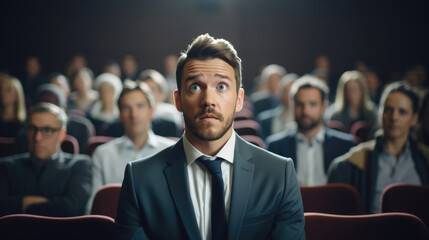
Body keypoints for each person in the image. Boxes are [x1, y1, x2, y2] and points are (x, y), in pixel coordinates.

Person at [114, 34, 305, 240]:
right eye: (195, 87)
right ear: (177, 101)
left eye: (221, 86)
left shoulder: (279, 174)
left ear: (239, 99)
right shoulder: (140, 179)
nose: (208, 100)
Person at [328, 82, 429, 213]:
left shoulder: (425, 159)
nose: (394, 117)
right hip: (369, 230)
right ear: (380, 113)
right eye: (388, 110)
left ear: (414, 119)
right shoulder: (351, 163)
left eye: (402, 112)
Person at [89, 81, 175, 211]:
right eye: (126, 108)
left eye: (140, 106)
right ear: (119, 115)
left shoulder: (172, 151)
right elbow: (93, 207)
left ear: (152, 111)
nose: (133, 114)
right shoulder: (102, 154)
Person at [0, 102, 92, 217]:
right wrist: (49, 205)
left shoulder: (80, 165)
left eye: (47, 130)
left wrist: (23, 204)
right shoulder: (6, 166)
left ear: (62, 134)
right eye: (33, 129)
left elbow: (72, 208)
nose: (37, 137)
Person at [266, 75, 356, 186]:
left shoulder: (345, 146)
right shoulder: (275, 146)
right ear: (292, 106)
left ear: (324, 106)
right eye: (300, 104)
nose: (305, 111)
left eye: (312, 104)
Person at [257, 73, 298, 139]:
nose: (289, 96)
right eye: (286, 92)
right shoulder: (265, 120)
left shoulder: (306, 120)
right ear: (280, 93)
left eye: (292, 92)